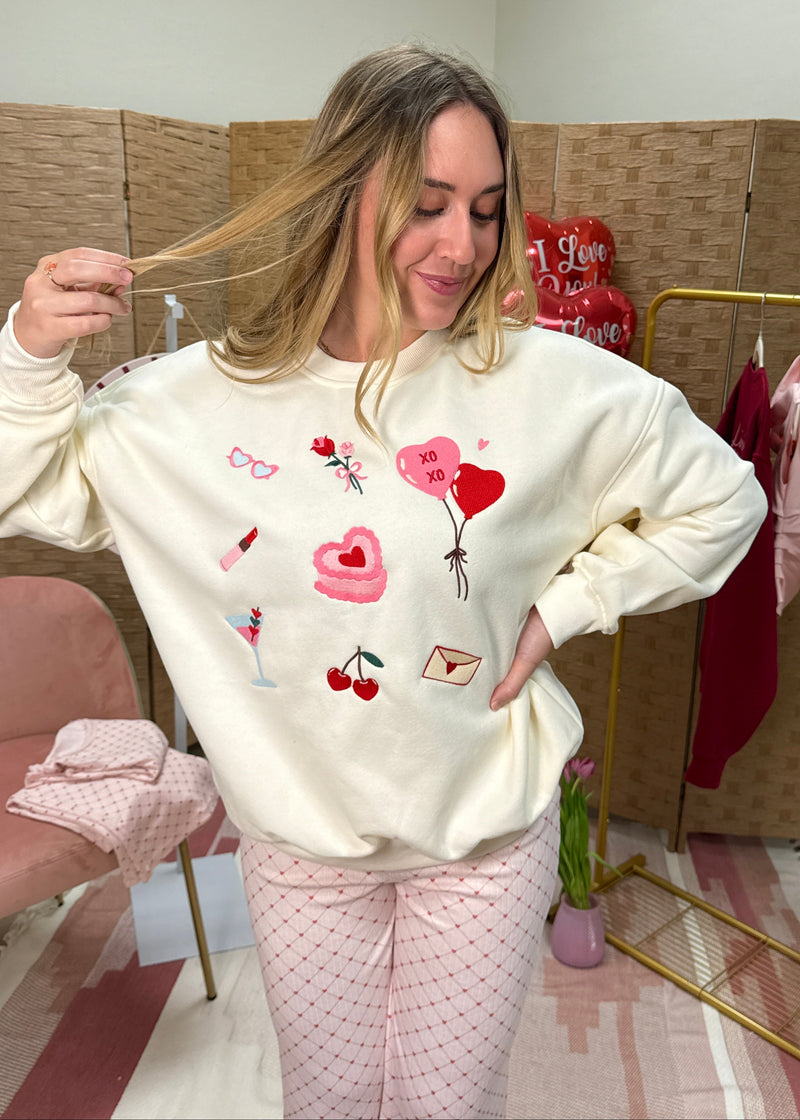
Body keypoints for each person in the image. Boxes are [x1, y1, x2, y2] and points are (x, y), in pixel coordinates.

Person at [0, 45, 765, 1120]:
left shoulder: (558, 388)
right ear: (344, 192)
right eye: (429, 203)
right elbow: (23, 481)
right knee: (329, 1100)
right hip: (301, 846)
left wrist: (565, 605)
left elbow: (726, 501)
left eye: (488, 210)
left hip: (484, 839)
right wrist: (29, 353)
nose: (463, 245)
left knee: (444, 1107)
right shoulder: (194, 405)